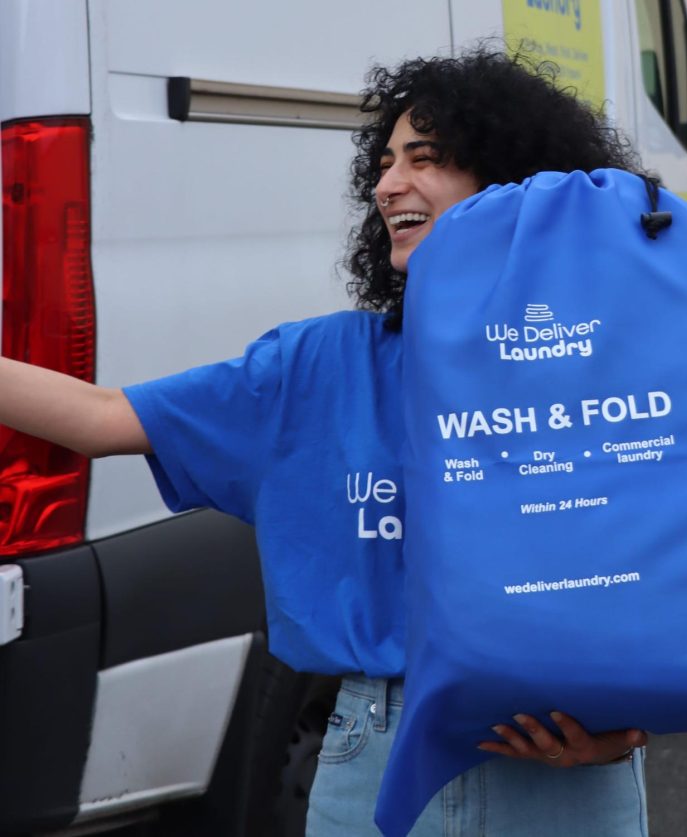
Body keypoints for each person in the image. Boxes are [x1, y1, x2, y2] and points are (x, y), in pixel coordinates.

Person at [0, 50, 653, 835]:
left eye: (426, 158)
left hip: (569, 777)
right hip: (378, 760)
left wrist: (635, 717)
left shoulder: (606, 364)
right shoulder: (318, 367)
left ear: (513, 182)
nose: (387, 184)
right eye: (384, 163)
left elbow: (669, 573)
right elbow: (103, 415)